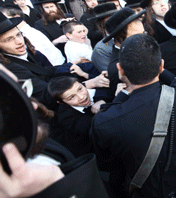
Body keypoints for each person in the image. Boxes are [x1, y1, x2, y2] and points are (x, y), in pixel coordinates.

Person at [92, 34, 176, 197]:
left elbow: (107, 164)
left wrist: (122, 95)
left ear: (120, 70)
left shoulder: (106, 121)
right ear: (162, 66)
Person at [0, 65, 109, 198]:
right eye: (9, 107)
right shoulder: (67, 118)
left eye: (23, 92)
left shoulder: (40, 141)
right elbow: (97, 126)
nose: (33, 106)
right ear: (62, 102)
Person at [47, 76, 106, 157]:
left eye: (80, 89)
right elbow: (102, 125)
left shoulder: (97, 88)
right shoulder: (68, 119)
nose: (82, 97)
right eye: (71, 97)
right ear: (62, 103)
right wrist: (106, 105)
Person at [103, 7, 145, 98]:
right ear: (121, 37)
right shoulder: (117, 67)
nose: (144, 39)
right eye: (138, 35)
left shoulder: (140, 47)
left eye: (144, 33)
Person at [0, 6, 65, 66]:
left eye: (6, 19)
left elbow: (40, 58)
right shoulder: (29, 31)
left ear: (16, 17)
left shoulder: (27, 34)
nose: (19, 41)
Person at [89, 3, 119, 72]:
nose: (116, 23)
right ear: (101, 25)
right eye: (110, 20)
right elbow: (112, 75)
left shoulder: (129, 36)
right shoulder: (100, 50)